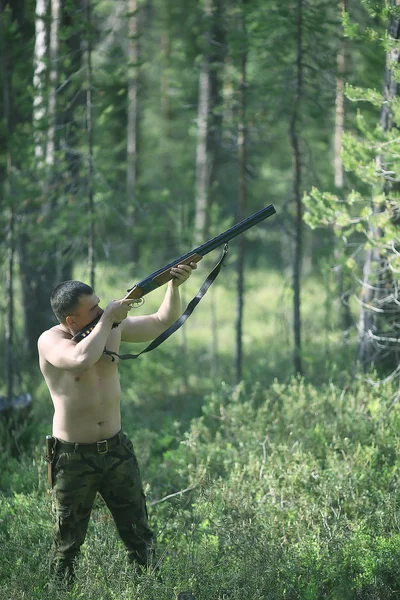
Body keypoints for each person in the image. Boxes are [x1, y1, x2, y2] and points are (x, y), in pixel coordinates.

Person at [37, 262, 197, 585]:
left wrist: (174, 286)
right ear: (71, 320)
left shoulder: (109, 328)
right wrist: (109, 318)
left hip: (116, 449)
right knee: (67, 547)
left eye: (99, 305)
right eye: (93, 308)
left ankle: (152, 588)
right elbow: (82, 357)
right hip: (73, 458)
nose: (100, 309)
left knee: (140, 537)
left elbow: (161, 322)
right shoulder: (50, 342)